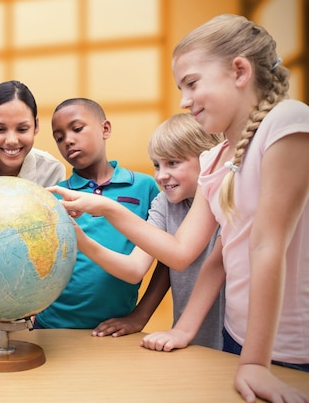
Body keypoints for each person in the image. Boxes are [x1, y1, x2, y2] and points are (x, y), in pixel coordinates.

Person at [50, 15, 309, 403]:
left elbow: (265, 246)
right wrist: (184, 330)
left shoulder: (287, 123)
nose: (184, 101)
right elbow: (188, 254)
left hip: (287, 350)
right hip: (237, 340)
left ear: (239, 71)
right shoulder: (215, 160)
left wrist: (255, 363)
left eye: (192, 84)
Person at [73, 113, 225, 350]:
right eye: (157, 164)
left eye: (173, 163)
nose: (161, 175)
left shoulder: (228, 200)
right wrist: (81, 240)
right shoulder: (164, 204)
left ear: (207, 159)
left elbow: (194, 259)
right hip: (193, 340)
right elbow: (134, 269)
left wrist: (107, 208)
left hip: (238, 337)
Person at [33, 98, 160, 329]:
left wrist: (140, 317)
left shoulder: (145, 187)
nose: (68, 141)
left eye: (77, 128)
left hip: (115, 329)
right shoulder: (53, 197)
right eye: (59, 138)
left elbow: (167, 259)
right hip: (50, 327)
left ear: (105, 129)